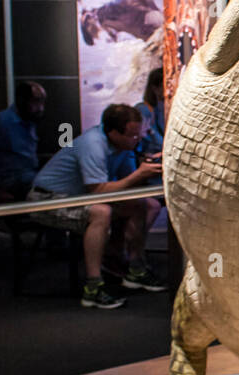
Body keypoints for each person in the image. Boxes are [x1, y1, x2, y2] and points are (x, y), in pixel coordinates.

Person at [28, 103, 164, 310]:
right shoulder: (93, 145)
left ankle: (133, 268)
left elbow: (125, 187)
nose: (139, 139)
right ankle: (93, 288)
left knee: (147, 205)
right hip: (48, 200)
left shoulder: (124, 147)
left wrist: (147, 166)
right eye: (133, 136)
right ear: (113, 133)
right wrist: (140, 174)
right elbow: (98, 191)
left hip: (78, 198)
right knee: (101, 212)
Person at [0, 81, 46, 201]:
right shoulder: (1, 122)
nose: (40, 108)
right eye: (35, 102)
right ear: (22, 101)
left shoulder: (30, 121)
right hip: (9, 181)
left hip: (30, 176)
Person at [135, 67, 165, 156]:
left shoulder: (163, 108)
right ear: (155, 88)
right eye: (166, 84)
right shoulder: (143, 110)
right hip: (151, 157)